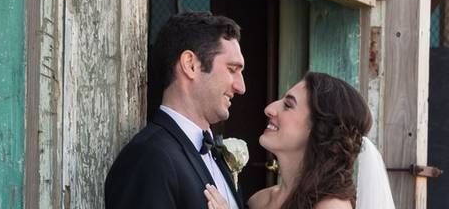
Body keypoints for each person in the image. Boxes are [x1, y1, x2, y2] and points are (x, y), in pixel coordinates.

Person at [105, 12, 247, 209]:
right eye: (232, 69)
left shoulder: (218, 156)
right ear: (190, 65)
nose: (241, 87)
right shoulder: (148, 158)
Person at [204, 72, 395, 209]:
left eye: (288, 105)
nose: (270, 108)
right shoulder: (260, 200)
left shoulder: (332, 206)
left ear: (318, 128)